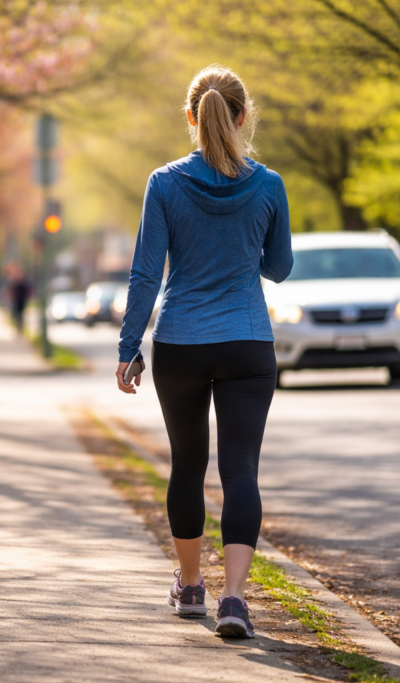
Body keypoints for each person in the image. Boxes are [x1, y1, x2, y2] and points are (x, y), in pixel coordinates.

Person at [115, 65, 292, 639]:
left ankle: (191, 588)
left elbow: (146, 274)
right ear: (242, 117)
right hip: (247, 343)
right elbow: (280, 268)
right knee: (241, 469)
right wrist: (245, 247)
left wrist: (128, 347)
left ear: (192, 118)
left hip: (182, 343)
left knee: (188, 465)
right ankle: (235, 601)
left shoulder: (163, 184)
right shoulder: (269, 185)